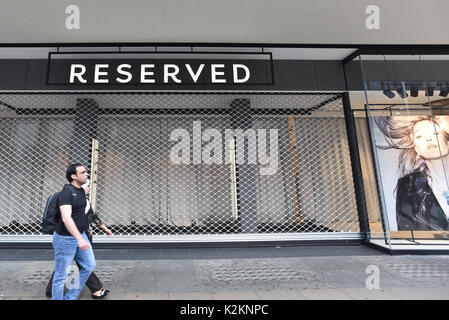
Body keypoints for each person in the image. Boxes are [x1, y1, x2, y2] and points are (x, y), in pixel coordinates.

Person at [376, 116, 449, 231]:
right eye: (419, 136)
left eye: (435, 133)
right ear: (416, 149)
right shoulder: (409, 185)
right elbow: (407, 230)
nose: (428, 139)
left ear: (447, 141)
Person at [46, 179, 112, 299]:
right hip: (68, 237)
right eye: (87, 186)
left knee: (75, 265)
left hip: (82, 235)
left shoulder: (84, 200)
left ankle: (52, 291)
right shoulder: (68, 196)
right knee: (78, 266)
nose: (89, 188)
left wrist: (104, 228)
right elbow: (64, 218)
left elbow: (92, 215)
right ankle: (95, 289)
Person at [51, 163, 96, 300]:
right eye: (83, 172)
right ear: (73, 176)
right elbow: (66, 217)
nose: (86, 174)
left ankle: (71, 296)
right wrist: (79, 238)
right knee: (60, 275)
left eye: (86, 172)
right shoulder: (66, 193)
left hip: (80, 235)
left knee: (89, 265)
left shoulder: (81, 191)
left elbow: (80, 211)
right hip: (65, 239)